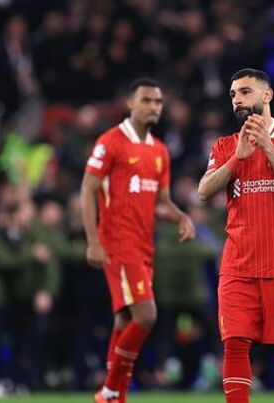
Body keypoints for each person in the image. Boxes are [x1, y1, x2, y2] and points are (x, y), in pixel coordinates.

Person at [198, 68, 274, 403]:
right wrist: (237, 158)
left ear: (267, 96)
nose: (238, 99)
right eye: (234, 94)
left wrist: (267, 147)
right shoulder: (225, 145)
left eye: (246, 92)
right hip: (237, 266)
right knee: (235, 345)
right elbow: (204, 190)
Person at [82, 77, 196, 403]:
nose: (153, 107)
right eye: (146, 100)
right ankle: (108, 390)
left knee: (126, 318)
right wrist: (92, 239)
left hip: (146, 245)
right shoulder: (111, 142)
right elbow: (88, 188)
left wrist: (182, 217)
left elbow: (161, 202)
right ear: (130, 103)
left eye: (158, 102)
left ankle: (117, 395)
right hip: (117, 241)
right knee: (146, 315)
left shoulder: (160, 152)